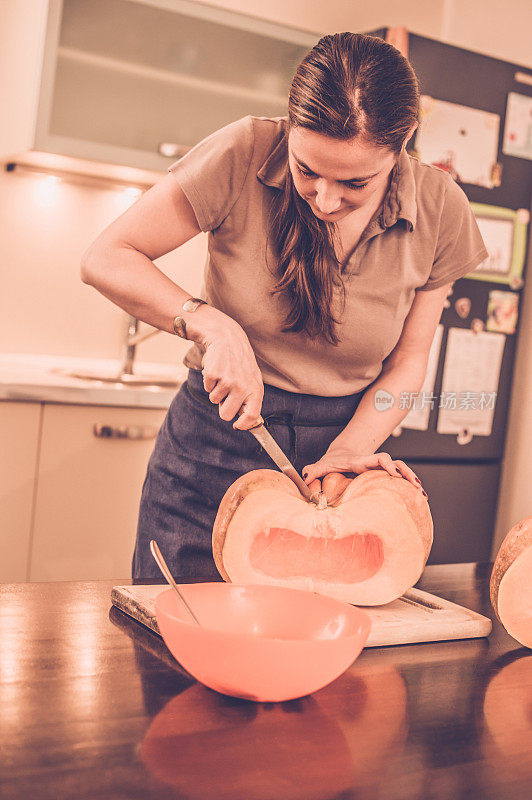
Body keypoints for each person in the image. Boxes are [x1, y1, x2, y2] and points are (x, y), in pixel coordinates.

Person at [81, 32, 488, 581]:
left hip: (339, 460)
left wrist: (348, 452)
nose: (324, 199)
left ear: (404, 141)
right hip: (212, 453)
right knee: (175, 646)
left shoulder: (442, 209)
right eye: (306, 171)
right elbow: (107, 255)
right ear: (290, 127)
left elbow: (408, 364)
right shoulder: (242, 151)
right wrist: (212, 326)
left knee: (311, 651)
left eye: (355, 183)